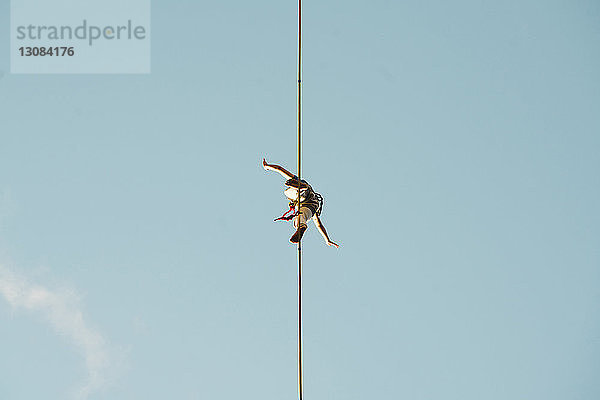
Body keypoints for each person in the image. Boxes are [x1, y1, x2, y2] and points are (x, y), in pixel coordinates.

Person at [263, 158, 339, 247]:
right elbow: (319, 225)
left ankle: (301, 188)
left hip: (303, 197)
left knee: (292, 200)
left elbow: (279, 169)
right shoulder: (313, 212)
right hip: (310, 204)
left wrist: (267, 166)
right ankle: (301, 225)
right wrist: (327, 239)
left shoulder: (295, 185)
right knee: (300, 215)